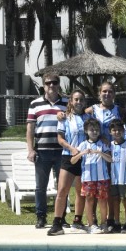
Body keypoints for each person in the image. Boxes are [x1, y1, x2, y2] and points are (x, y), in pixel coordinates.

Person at [26, 73, 67, 229]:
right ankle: (41, 216)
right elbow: (30, 129)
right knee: (40, 186)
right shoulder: (35, 104)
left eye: (54, 82)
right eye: (48, 83)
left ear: (58, 84)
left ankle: (61, 218)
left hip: (61, 152)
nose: (51, 85)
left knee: (62, 187)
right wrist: (30, 150)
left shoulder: (66, 103)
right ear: (43, 85)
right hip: (42, 151)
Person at [47, 90, 87, 236]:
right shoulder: (64, 118)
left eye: (81, 99)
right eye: (76, 99)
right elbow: (60, 139)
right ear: (70, 101)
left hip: (85, 159)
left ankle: (78, 220)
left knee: (80, 192)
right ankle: (57, 223)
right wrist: (71, 148)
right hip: (68, 157)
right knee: (62, 190)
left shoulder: (89, 117)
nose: (79, 102)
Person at [70, 117, 112, 235]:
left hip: (102, 177)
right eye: (91, 130)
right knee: (89, 200)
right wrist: (82, 153)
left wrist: (100, 153)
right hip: (88, 178)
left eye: (96, 130)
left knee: (103, 201)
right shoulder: (82, 145)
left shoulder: (102, 144)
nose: (94, 132)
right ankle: (91, 224)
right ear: (86, 131)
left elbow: (110, 159)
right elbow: (72, 161)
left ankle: (104, 223)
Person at [106, 119, 126, 233]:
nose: (117, 132)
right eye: (114, 130)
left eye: (119, 130)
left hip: (125, 178)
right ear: (110, 132)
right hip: (113, 178)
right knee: (115, 199)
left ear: (123, 131)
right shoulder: (109, 145)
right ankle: (116, 222)